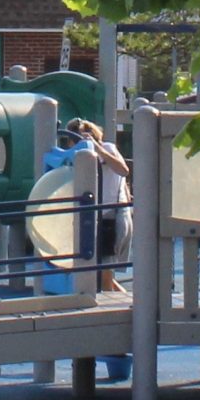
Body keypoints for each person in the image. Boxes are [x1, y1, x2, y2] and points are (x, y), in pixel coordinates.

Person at [59, 120, 134, 294]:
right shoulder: (76, 156)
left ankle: (119, 306)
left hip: (110, 218)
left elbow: (123, 170)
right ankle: (130, 302)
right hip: (93, 218)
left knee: (105, 276)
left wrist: (97, 148)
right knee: (100, 276)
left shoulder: (107, 148)